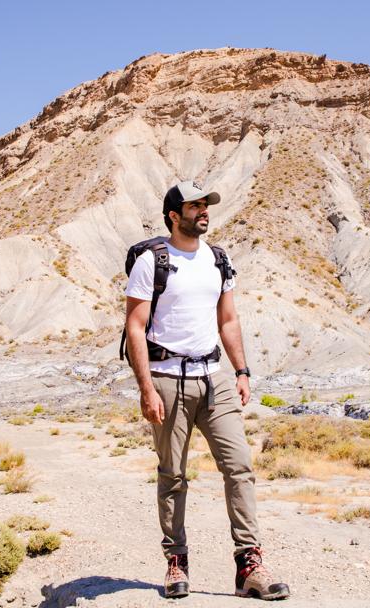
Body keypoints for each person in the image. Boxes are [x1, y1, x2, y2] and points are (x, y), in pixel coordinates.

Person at [124, 180, 291, 600]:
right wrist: (146, 387)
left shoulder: (219, 259)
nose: (203, 211)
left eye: (205, 204)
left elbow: (228, 320)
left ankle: (249, 565)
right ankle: (176, 562)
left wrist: (242, 370)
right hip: (167, 379)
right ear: (173, 216)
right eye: (194, 205)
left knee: (239, 467)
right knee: (173, 475)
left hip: (214, 377)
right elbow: (135, 327)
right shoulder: (151, 261)